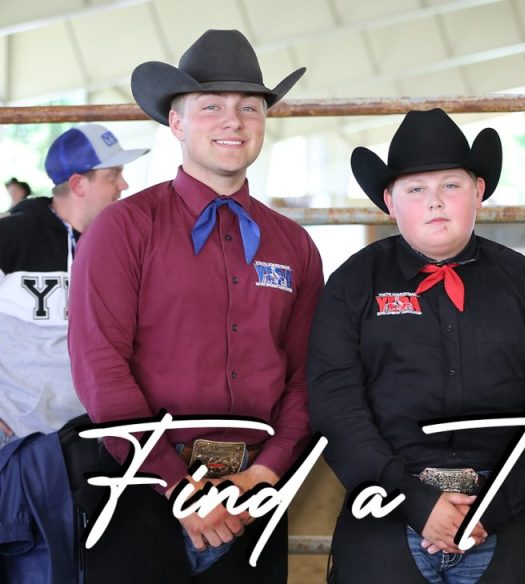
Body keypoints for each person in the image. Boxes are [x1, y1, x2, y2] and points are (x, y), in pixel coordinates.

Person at [66, 29, 320, 583]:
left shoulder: (294, 245)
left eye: (249, 107)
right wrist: (177, 485)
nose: (234, 121)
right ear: (176, 123)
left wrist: (269, 470)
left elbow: (306, 374)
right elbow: (99, 364)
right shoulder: (122, 229)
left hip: (254, 493)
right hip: (140, 486)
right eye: (211, 107)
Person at [307, 108, 525, 584]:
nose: (435, 201)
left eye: (450, 185)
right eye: (416, 189)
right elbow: (335, 402)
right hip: (386, 508)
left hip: (504, 513)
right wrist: (415, 502)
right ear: (390, 202)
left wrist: (491, 506)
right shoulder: (353, 282)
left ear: (478, 191)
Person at [0, 124, 148, 446]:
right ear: (79, 184)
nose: (124, 184)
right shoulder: (10, 236)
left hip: (96, 435)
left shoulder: (121, 245)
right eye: (114, 175)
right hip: (17, 438)